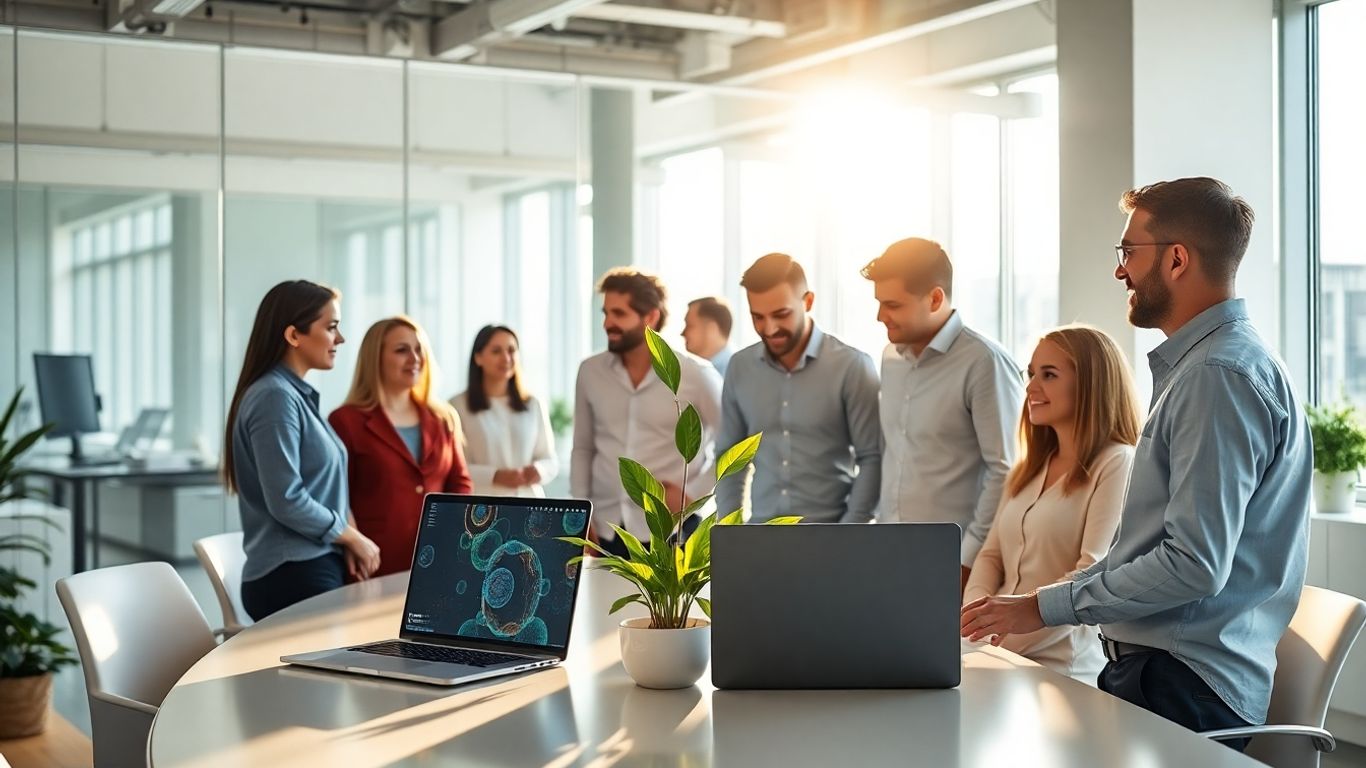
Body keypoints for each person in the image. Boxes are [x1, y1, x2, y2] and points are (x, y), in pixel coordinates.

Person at [961, 177, 1312, 750]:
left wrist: (1044, 607)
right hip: (1159, 675)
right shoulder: (1209, 368)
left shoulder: (1215, 377)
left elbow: (1194, 564)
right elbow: (1154, 550)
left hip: (1180, 687)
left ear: (1176, 260)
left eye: (1128, 252)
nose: (1120, 271)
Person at [963, 325, 1140, 683]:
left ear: (1091, 384)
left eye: (1049, 375)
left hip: (1062, 671)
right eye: (1031, 374)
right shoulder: (1028, 469)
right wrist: (974, 623)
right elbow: (990, 556)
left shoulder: (1117, 463)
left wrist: (1001, 639)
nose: (1030, 387)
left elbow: (1093, 570)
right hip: (995, 659)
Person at [863, 238, 1024, 594]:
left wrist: (967, 559)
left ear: (935, 298)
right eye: (878, 303)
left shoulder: (985, 363)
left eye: (892, 305)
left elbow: (1005, 470)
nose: (880, 316)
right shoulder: (889, 357)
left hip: (955, 563)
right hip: (889, 554)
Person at [223, 279, 381, 621]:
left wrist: (342, 538)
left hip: (311, 565)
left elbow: (322, 486)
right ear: (294, 335)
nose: (340, 339)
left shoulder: (291, 396)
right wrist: (350, 536)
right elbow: (287, 499)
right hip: (293, 575)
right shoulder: (274, 397)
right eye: (331, 327)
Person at [715, 254, 881, 523]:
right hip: (761, 537)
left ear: (808, 301)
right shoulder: (740, 367)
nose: (769, 328)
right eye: (758, 317)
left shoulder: (852, 367)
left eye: (781, 314)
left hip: (831, 534)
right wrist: (730, 530)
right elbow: (729, 456)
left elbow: (872, 458)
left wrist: (850, 533)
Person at [571, 268, 723, 556]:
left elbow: (734, 441)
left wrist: (693, 493)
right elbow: (583, 448)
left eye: (619, 314)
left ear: (650, 316)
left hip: (670, 528)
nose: (608, 323)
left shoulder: (696, 374)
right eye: (605, 313)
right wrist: (579, 512)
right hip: (604, 529)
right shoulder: (590, 372)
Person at [328, 315, 472, 578]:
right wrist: (352, 542)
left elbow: (460, 484)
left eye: (419, 349)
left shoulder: (443, 418)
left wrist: (452, 537)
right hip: (373, 563)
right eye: (402, 350)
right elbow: (337, 496)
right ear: (375, 359)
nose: (415, 358)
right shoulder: (345, 421)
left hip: (438, 561)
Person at [451, 324, 558, 497]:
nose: (506, 358)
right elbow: (454, 467)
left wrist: (539, 470)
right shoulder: (456, 407)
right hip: (482, 507)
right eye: (496, 351)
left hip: (529, 503)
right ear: (478, 357)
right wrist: (495, 476)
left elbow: (550, 460)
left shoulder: (533, 404)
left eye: (511, 350)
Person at [681, 296, 734, 376]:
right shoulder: (692, 371)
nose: (682, 333)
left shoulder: (738, 375)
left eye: (689, 325)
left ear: (712, 329)